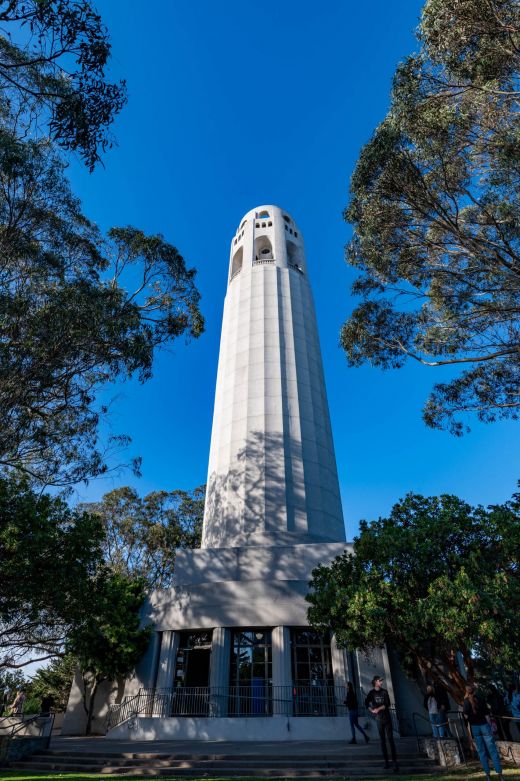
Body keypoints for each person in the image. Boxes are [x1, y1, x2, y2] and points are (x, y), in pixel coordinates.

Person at [463, 684, 504, 781]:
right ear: (475, 690)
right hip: (484, 725)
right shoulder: (481, 699)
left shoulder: (465, 702)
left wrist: (470, 717)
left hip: (475, 727)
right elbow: (487, 714)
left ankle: (488, 776)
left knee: (481, 752)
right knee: (492, 750)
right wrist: (490, 727)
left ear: (467, 691)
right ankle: (500, 774)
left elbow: (465, 716)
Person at [365, 675, 399, 772]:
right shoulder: (371, 693)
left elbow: (387, 704)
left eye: (381, 681)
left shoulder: (384, 692)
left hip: (387, 718)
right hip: (379, 720)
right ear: (376, 682)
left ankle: (395, 762)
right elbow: (366, 703)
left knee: (391, 740)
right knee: (382, 741)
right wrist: (371, 710)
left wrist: (378, 709)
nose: (381, 682)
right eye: (380, 681)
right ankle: (386, 762)